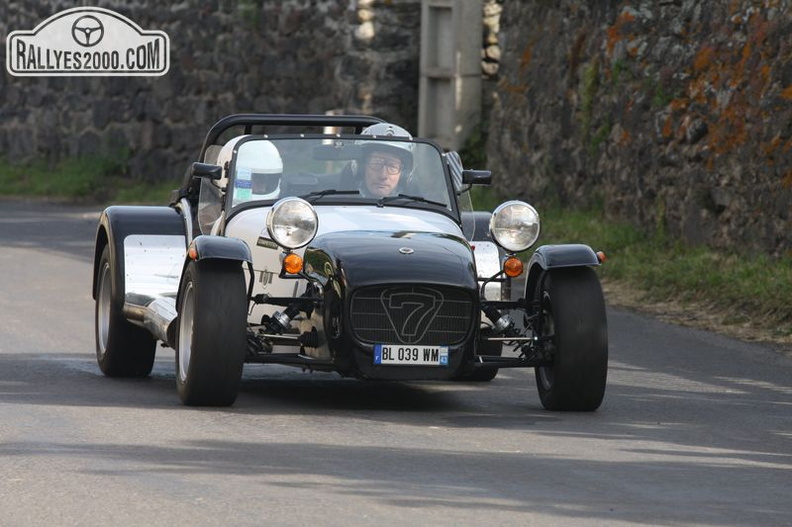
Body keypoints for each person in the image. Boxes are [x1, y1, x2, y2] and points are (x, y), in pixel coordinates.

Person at [356, 123, 414, 198]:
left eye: (392, 166)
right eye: (376, 164)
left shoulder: (420, 205)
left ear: (404, 174)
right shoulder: (337, 197)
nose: (383, 176)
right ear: (362, 168)